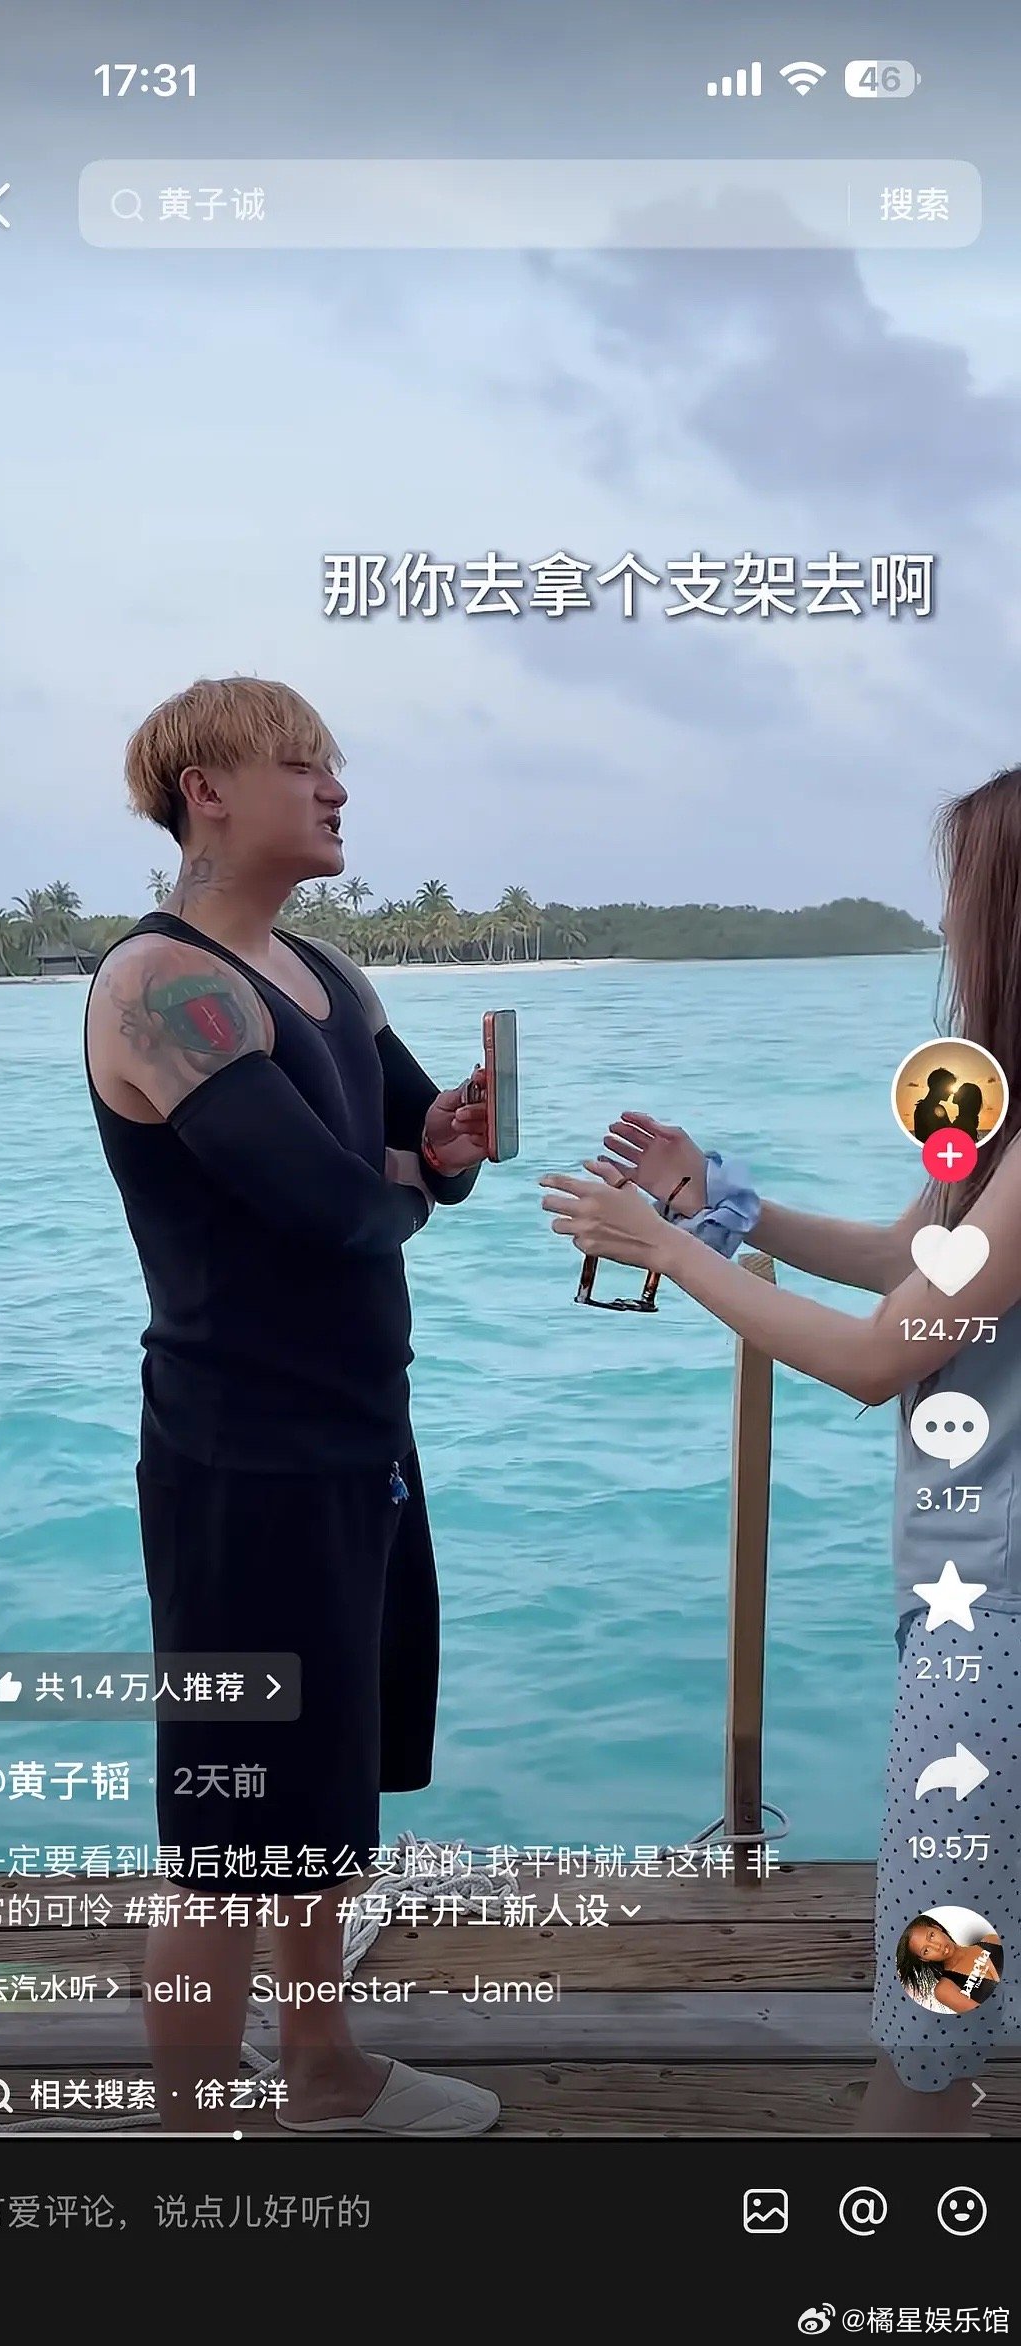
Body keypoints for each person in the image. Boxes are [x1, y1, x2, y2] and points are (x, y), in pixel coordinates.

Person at [541, 760, 1021, 2134]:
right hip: (971, 1600)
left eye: (963, 894)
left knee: (929, 2029)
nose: (946, 926)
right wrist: (728, 1202)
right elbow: (906, 1260)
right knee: (949, 2003)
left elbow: (880, 1355)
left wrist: (664, 1251)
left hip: (996, 1626)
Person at [86, 674, 500, 2137]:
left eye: (335, 764)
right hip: (238, 1458)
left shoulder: (328, 974)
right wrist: (403, 1176)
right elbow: (328, 1209)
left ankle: (322, 2068)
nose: (337, 790)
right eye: (303, 765)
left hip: (363, 1433)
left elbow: (411, 1159)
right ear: (205, 790)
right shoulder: (160, 986)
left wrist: (437, 1148)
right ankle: (200, 2139)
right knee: (226, 1830)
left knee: (320, 1794)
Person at [896, 1916, 1002, 2014]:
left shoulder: (991, 1940)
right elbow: (986, 2016)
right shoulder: (945, 1989)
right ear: (924, 1959)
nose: (937, 1946)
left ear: (937, 1928)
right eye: (926, 1950)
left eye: (931, 1936)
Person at [912, 1067, 957, 1143]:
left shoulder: (939, 1108)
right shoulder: (924, 1109)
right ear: (939, 1086)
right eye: (949, 1087)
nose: (951, 1092)